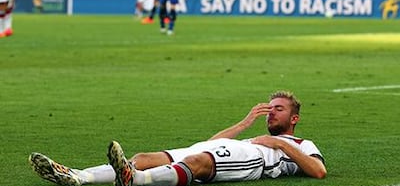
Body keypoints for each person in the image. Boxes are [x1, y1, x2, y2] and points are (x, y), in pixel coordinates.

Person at [29, 91, 327, 186]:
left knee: (199, 162)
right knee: (146, 158)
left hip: (254, 161)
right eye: (270, 108)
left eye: (279, 109)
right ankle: (80, 177)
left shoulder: (302, 145)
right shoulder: (255, 136)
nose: (271, 113)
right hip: (230, 148)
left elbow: (318, 171)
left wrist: (277, 143)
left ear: (294, 119)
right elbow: (213, 142)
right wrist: (246, 122)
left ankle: (136, 181)